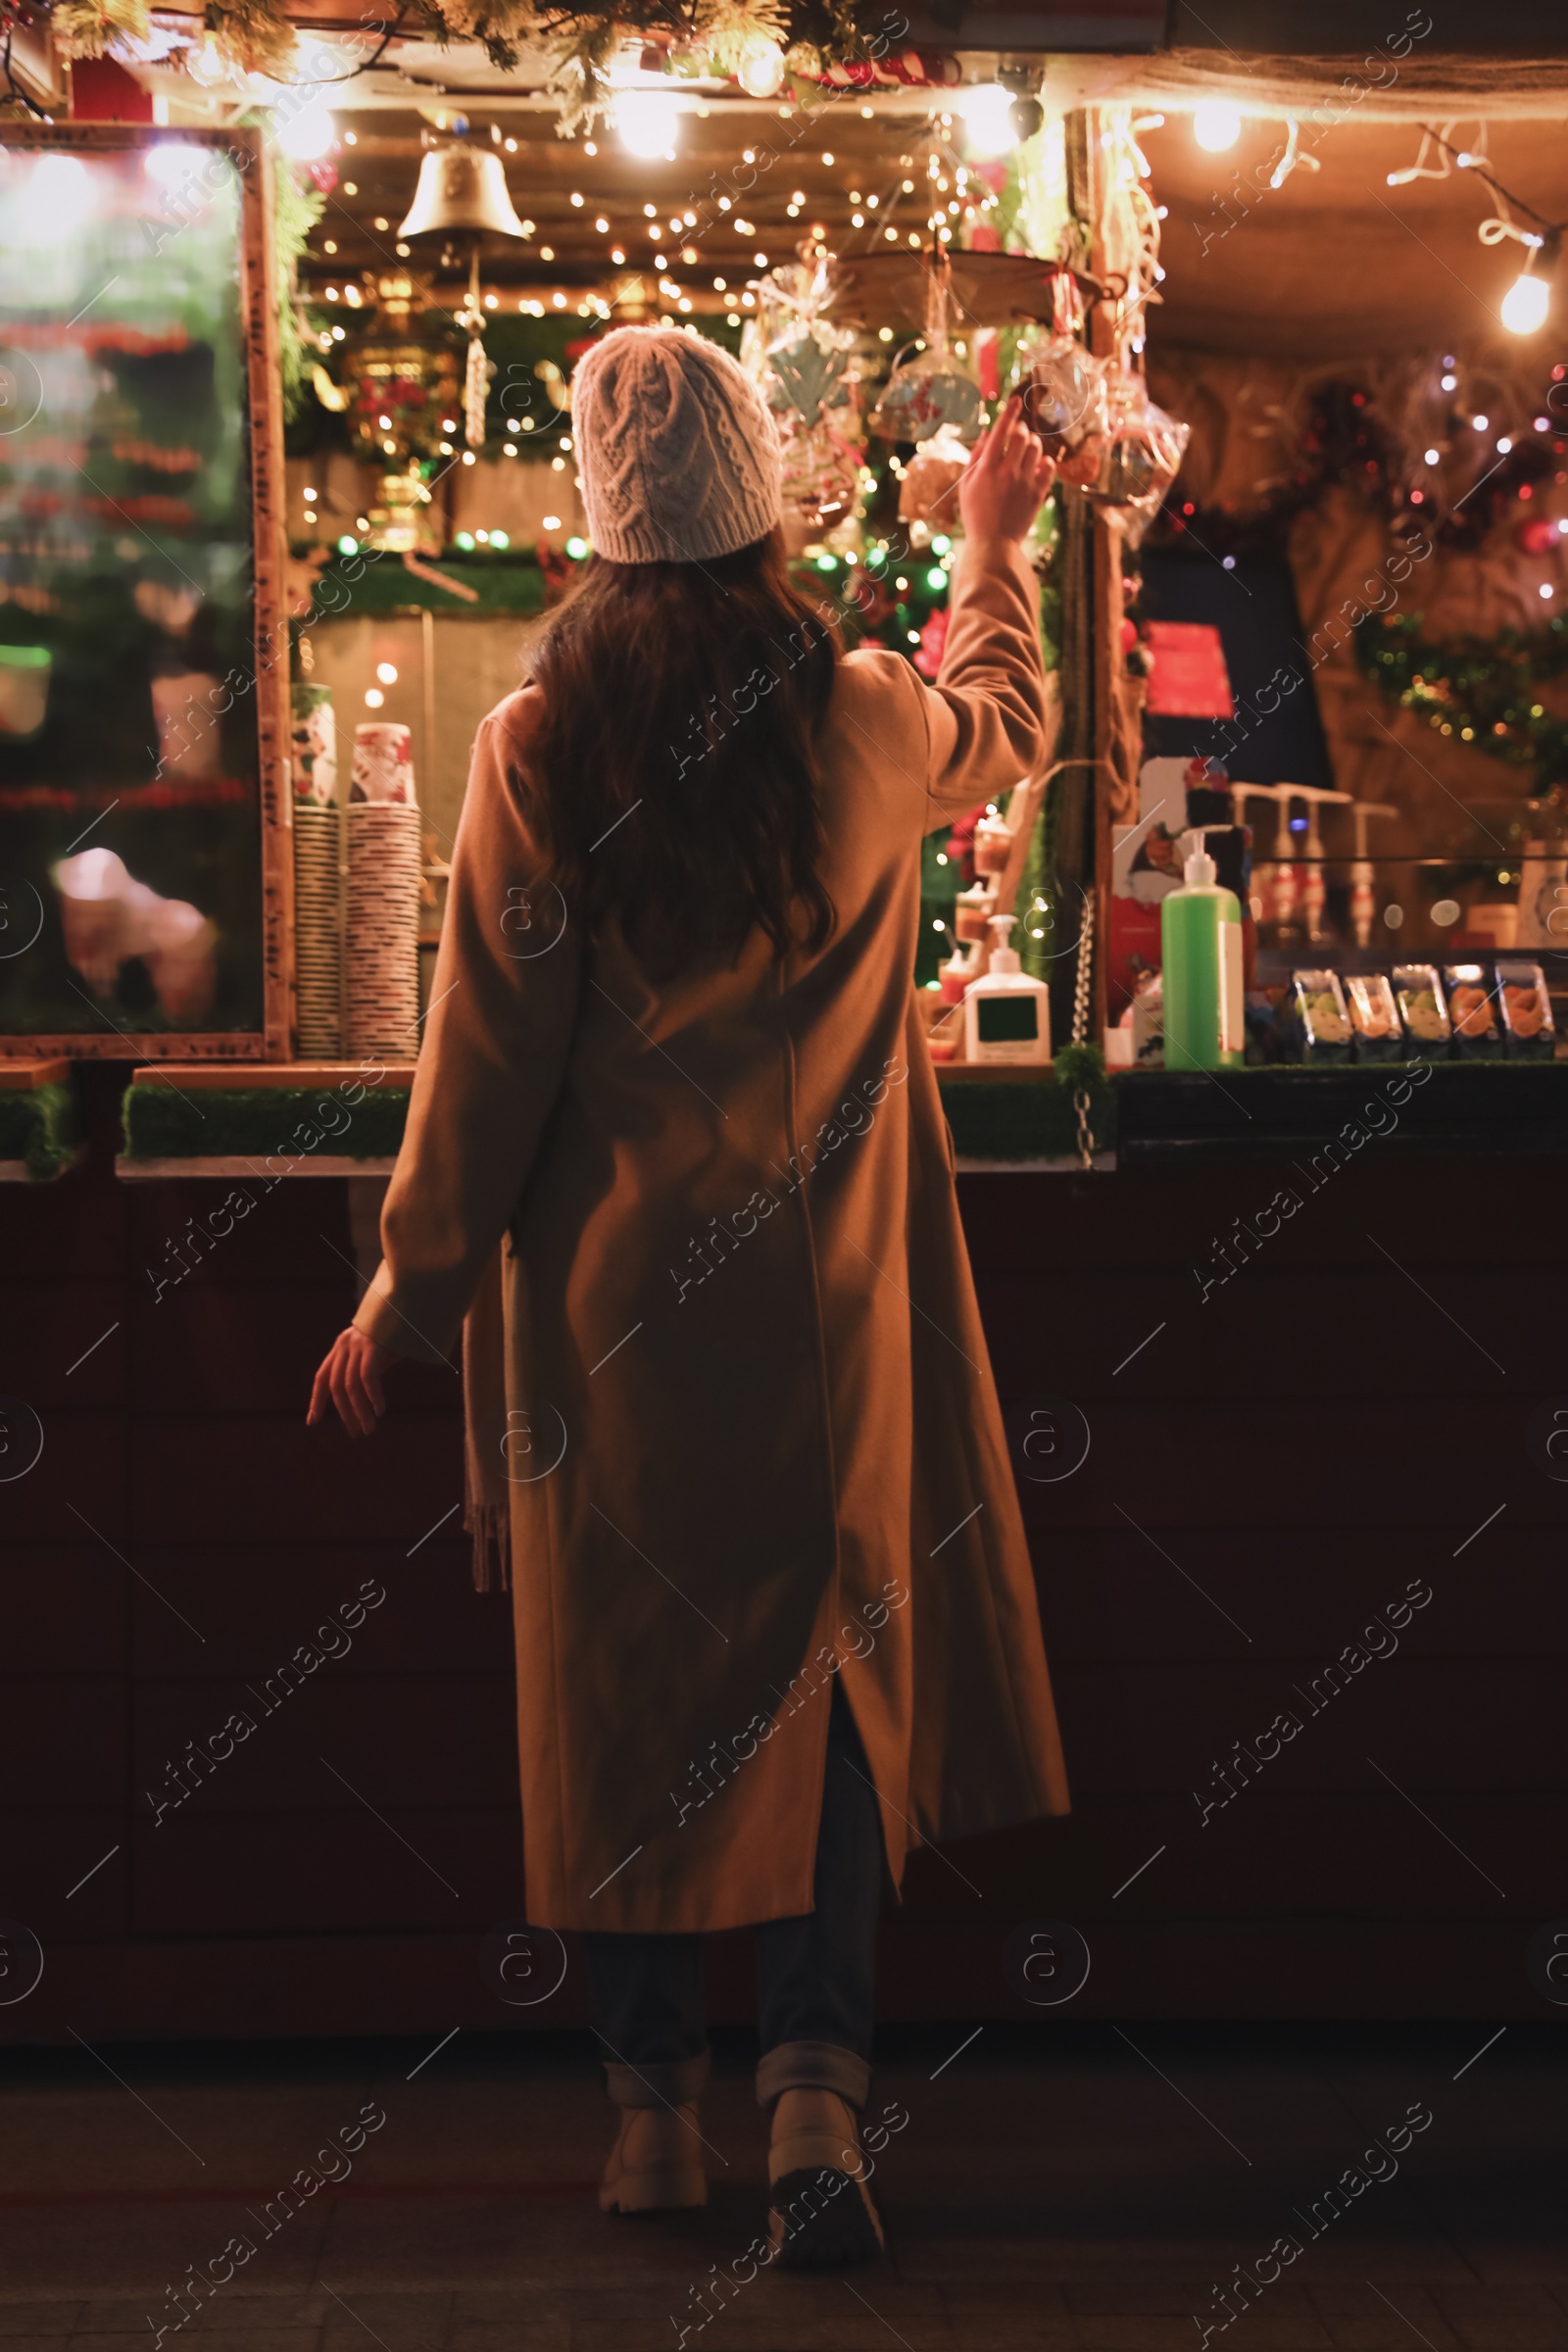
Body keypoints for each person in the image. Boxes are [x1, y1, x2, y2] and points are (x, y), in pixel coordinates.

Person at [310, 326, 1070, 2268]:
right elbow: (1007, 708)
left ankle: (650, 2123)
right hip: (822, 1321)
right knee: (824, 1694)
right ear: (765, 519)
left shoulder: (533, 749)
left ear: (594, 529)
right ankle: (813, 2095)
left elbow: (483, 1060)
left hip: (603, 1327)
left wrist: (402, 1297)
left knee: (618, 1702)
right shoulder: (864, 719)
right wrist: (990, 537)